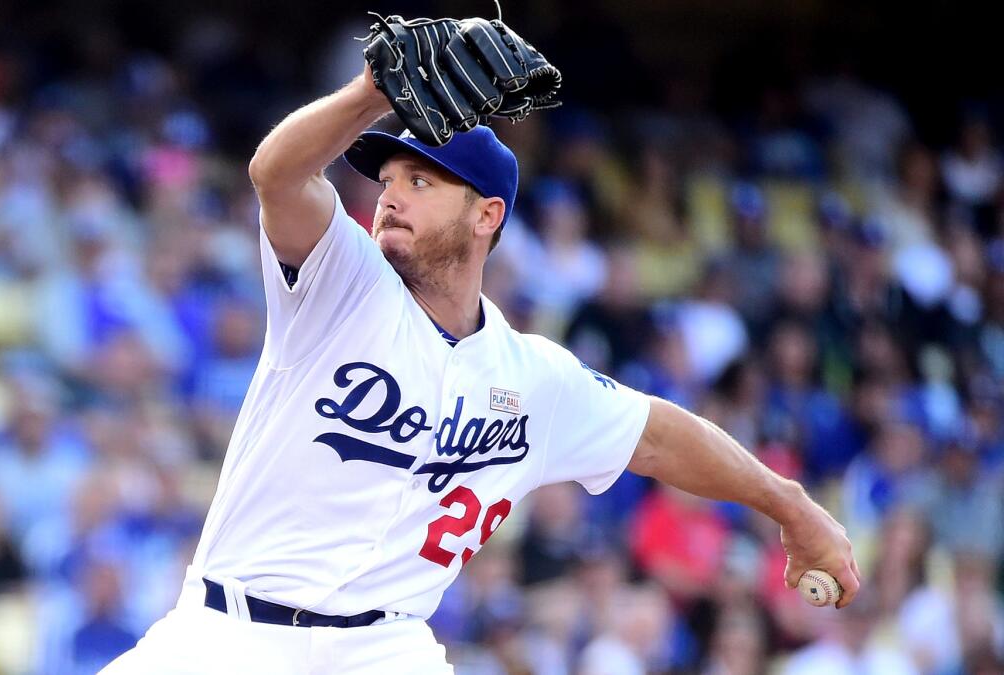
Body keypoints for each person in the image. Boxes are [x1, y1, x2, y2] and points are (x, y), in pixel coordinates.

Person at [100, 62, 859, 674]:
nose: (389, 197)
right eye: (387, 180)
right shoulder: (343, 281)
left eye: (420, 182)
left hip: (383, 648)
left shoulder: (532, 378)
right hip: (229, 636)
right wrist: (376, 89)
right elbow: (277, 174)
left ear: (487, 215)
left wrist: (791, 505)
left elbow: (660, 436)